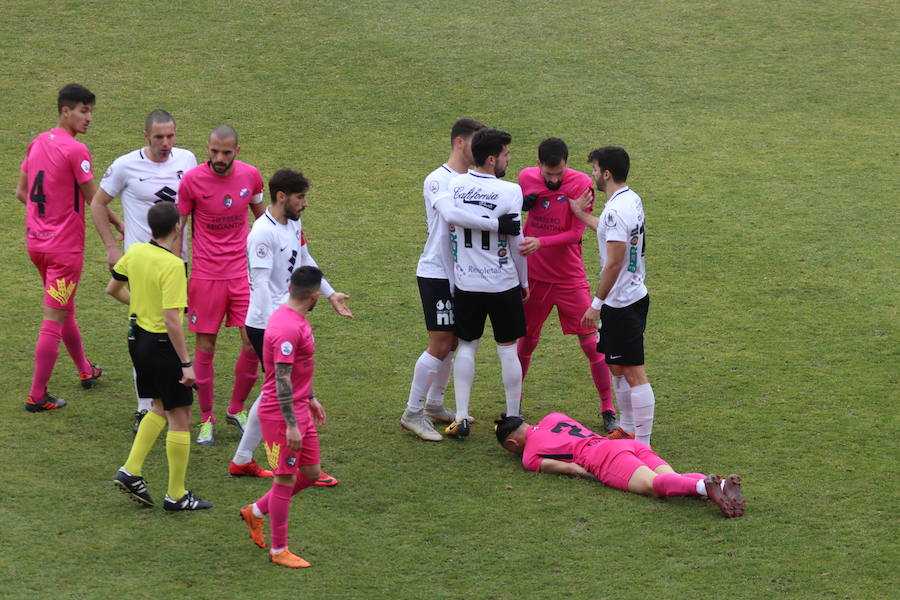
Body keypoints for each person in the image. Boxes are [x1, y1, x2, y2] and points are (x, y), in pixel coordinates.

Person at [401, 118, 521, 442]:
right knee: (441, 344)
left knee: (454, 342)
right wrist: (498, 224)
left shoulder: (469, 181)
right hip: (438, 272)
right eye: (475, 142)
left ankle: (436, 404)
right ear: (460, 143)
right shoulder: (439, 181)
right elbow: (452, 216)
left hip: (461, 274)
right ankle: (413, 413)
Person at [230, 168, 351, 486]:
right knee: (288, 391)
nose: (305, 203)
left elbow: (306, 260)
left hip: (283, 321)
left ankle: (242, 460)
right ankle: (295, 465)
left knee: (272, 390)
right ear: (281, 196)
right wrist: (284, 325)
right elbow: (261, 287)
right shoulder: (261, 234)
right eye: (300, 197)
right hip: (267, 325)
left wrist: (330, 293)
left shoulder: (293, 222)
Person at [90, 109, 197, 433]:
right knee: (146, 331)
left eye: (171, 136)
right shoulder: (125, 165)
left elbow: (191, 205)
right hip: (142, 262)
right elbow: (97, 203)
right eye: (159, 137)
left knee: (171, 327)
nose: (166, 143)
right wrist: (111, 246)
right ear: (145, 136)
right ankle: (144, 406)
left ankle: (165, 398)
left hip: (178, 260)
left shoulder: (187, 159)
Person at [15, 83, 115, 412]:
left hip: (36, 245)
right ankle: (37, 395)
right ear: (65, 111)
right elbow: (95, 200)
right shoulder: (76, 150)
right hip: (64, 252)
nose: (89, 118)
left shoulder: (38, 141)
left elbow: (21, 192)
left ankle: (85, 369)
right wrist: (117, 224)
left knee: (65, 307)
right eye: (84, 111)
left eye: (91, 112)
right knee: (53, 320)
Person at [107, 202, 211, 511]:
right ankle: (176, 495)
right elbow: (172, 319)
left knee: (158, 406)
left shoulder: (137, 252)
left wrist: (140, 303)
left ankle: (131, 470)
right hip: (163, 346)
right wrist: (186, 364)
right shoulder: (173, 266)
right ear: (178, 227)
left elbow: (113, 288)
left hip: (137, 340)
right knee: (181, 417)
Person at [517, 138, 615, 432]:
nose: (555, 180)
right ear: (538, 166)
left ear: (566, 164)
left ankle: (608, 409)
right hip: (533, 277)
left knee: (591, 344)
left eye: (559, 173)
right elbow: (511, 213)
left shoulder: (581, 184)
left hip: (569, 278)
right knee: (527, 340)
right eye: (549, 175)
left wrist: (540, 241)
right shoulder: (524, 178)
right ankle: (514, 406)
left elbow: (574, 234)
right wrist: (523, 204)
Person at [177, 125, 266, 444]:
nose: (219, 158)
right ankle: (206, 418)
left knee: (251, 343)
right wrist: (174, 272)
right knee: (205, 347)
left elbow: (264, 220)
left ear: (237, 152)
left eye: (226, 153)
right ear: (207, 148)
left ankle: (236, 408)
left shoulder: (251, 176)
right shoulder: (191, 181)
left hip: (242, 276)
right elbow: (179, 228)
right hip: (206, 277)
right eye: (214, 151)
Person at [238, 266, 327, 568]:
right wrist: (291, 424)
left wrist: (311, 397)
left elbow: (297, 368)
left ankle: (255, 511)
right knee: (285, 480)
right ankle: (279, 550)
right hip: (280, 414)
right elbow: (281, 379)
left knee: (312, 473)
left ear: (290, 288)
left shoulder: (293, 319)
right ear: (314, 296)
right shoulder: (288, 328)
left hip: (299, 406)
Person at [442, 128, 528, 438]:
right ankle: (514, 417)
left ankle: (462, 415)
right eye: (506, 154)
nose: (509, 159)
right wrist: (524, 279)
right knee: (507, 350)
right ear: (492, 159)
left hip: (467, 283)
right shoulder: (511, 191)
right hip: (502, 282)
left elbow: (451, 222)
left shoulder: (456, 184)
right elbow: (516, 239)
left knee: (467, 346)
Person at [494, 412, 745, 517]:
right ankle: (720, 484)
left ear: (512, 443)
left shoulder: (529, 456)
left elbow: (571, 469)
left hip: (603, 458)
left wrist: (599, 476)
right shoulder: (553, 417)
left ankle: (704, 486)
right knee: (673, 477)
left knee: (654, 487)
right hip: (627, 445)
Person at [569, 146, 655, 444]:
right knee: (616, 366)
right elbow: (609, 231)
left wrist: (596, 305)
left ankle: (642, 443)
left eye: (594, 169)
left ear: (606, 173)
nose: (592, 174)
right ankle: (628, 428)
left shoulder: (616, 210)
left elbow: (615, 260)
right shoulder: (629, 200)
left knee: (633, 373)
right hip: (630, 297)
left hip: (622, 303)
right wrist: (580, 214)